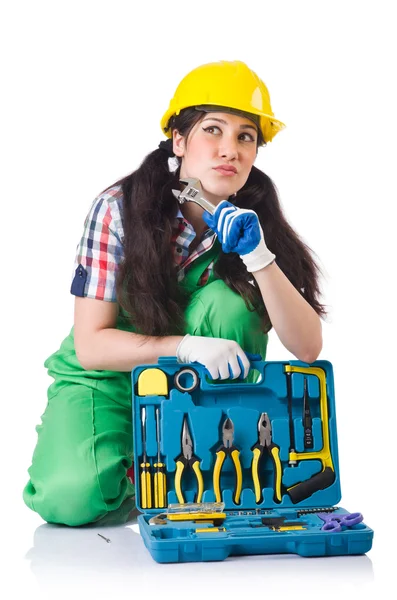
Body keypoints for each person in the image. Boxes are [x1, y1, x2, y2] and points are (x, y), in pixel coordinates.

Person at [23, 60, 326, 527]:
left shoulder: (253, 221)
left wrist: (260, 257)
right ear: (179, 141)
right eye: (213, 130)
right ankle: (138, 475)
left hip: (200, 394)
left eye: (246, 136)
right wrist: (184, 347)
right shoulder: (118, 210)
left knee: (232, 305)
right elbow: (92, 345)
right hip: (109, 378)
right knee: (71, 499)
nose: (230, 149)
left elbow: (308, 347)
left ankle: (212, 480)